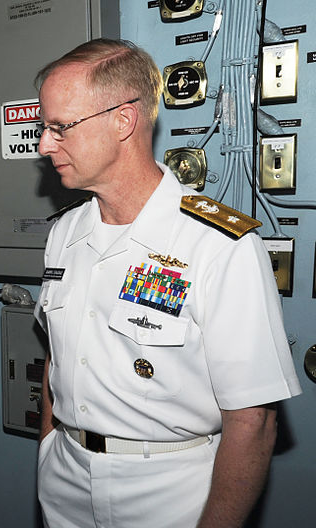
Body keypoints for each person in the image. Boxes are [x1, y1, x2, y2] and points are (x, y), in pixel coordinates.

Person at [33, 38, 301, 528]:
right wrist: (50, 447)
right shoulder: (64, 234)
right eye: (43, 128)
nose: (45, 144)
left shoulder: (218, 244)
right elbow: (57, 355)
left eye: (59, 128)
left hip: (171, 491)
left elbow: (253, 420)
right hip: (64, 478)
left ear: (124, 121)